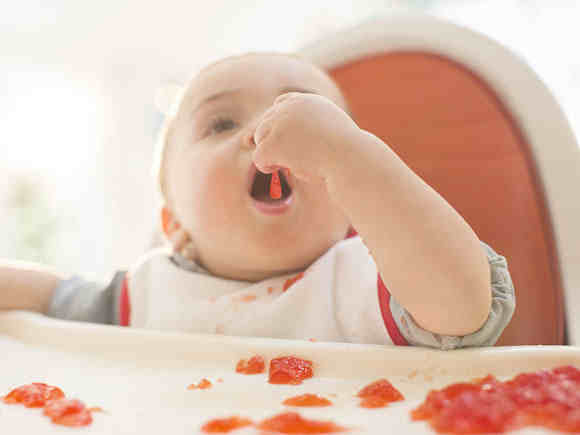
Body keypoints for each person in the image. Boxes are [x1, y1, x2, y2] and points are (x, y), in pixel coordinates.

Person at [0, 52, 515, 349]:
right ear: (173, 222)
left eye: (308, 120)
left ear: (353, 205)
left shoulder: (372, 281)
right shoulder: (151, 297)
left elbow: (465, 308)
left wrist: (354, 159)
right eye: (222, 123)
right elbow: (53, 296)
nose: (263, 133)